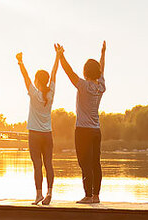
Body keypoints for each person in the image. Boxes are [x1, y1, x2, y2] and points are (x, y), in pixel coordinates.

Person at [56, 41, 106, 204]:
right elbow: (102, 69)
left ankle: (88, 195)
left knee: (85, 162)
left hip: (83, 130)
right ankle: (96, 195)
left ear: (85, 72)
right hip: (96, 131)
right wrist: (103, 54)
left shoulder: (83, 86)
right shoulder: (101, 87)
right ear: (97, 72)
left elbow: (69, 72)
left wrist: (61, 56)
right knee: (95, 163)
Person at [16, 47, 59, 205]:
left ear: (37, 81)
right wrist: (58, 56)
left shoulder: (34, 94)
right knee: (48, 163)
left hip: (34, 134)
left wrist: (20, 61)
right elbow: (54, 73)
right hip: (47, 134)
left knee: (37, 165)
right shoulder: (51, 93)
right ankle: (49, 192)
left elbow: (25, 76)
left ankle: (38, 195)